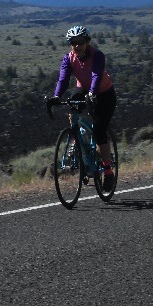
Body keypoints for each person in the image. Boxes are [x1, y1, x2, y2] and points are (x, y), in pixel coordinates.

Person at [51, 25, 117, 192]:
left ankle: (108, 171)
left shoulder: (97, 56)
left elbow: (96, 75)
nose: (77, 45)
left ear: (87, 42)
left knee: (99, 130)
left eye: (80, 42)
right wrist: (56, 97)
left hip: (104, 93)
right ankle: (76, 138)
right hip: (84, 89)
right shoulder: (69, 58)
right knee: (73, 103)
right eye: (73, 42)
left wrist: (93, 93)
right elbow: (63, 80)